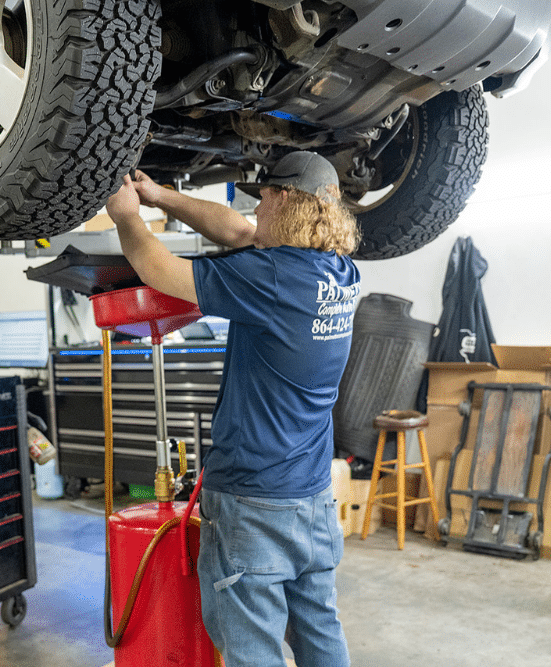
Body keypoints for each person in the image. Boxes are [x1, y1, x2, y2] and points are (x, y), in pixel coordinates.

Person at [105, 151, 360, 667]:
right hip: (310, 499)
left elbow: (158, 270)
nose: (257, 210)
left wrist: (127, 216)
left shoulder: (269, 278)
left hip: (254, 502)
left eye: (263, 198)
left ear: (284, 199)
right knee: (319, 632)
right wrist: (159, 196)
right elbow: (240, 233)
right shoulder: (340, 273)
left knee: (250, 647)